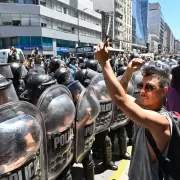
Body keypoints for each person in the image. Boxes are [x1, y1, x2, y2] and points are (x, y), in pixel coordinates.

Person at [95, 41, 172, 180]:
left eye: (149, 87)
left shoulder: (162, 121)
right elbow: (121, 94)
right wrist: (129, 71)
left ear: (164, 91)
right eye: (141, 85)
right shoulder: (143, 108)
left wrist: (105, 63)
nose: (142, 91)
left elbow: (120, 99)